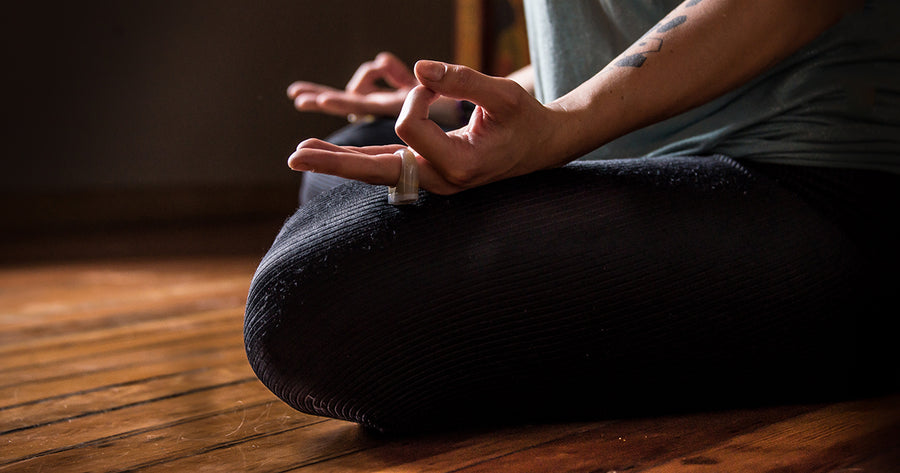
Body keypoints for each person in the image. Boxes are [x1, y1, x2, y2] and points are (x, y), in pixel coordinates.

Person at [244, 0, 900, 434]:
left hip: (821, 187)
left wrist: (569, 123)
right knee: (360, 142)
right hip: (624, 165)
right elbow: (609, 38)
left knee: (309, 310)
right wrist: (456, 109)